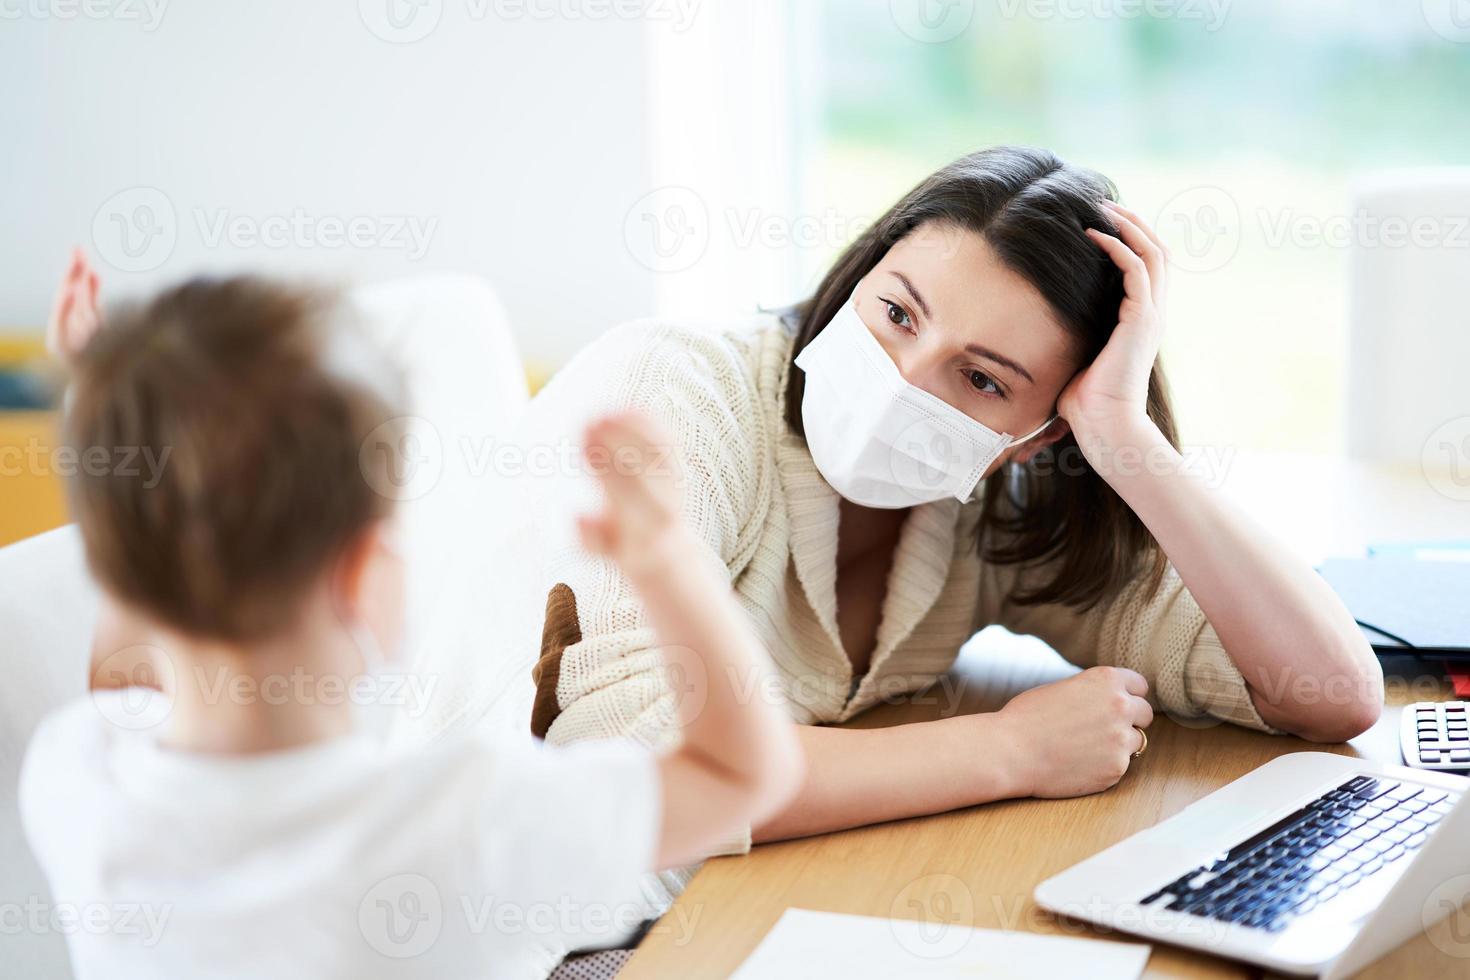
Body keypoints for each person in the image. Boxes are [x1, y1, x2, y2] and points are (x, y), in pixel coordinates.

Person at [446, 145, 1383, 907]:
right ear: (861, 268)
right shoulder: (677, 389)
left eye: (980, 379)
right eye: (897, 312)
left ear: (1035, 436)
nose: (903, 377)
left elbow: (1329, 693)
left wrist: (1128, 440)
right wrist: (1008, 750)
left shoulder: (995, 507)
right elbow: (640, 772)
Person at [20, 263, 802, 979]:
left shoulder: (73, 775)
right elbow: (744, 774)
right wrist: (664, 556)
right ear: (363, 577)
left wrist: (119, 446)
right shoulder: (465, 821)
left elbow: (121, 667)